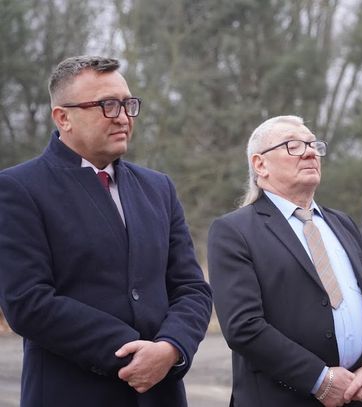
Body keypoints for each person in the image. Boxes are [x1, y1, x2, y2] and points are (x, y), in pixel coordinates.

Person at [0, 55, 212, 407]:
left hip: (161, 393)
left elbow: (191, 288)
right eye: (107, 105)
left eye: (128, 104)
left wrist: (170, 348)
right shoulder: (18, 188)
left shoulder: (158, 187)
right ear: (63, 117)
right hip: (70, 394)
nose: (123, 117)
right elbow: (28, 302)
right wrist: (133, 354)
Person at [207, 115, 362, 407]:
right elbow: (243, 326)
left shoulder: (342, 224)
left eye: (313, 145)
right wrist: (319, 380)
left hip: (355, 397)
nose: (310, 153)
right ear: (260, 164)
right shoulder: (235, 231)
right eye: (293, 146)